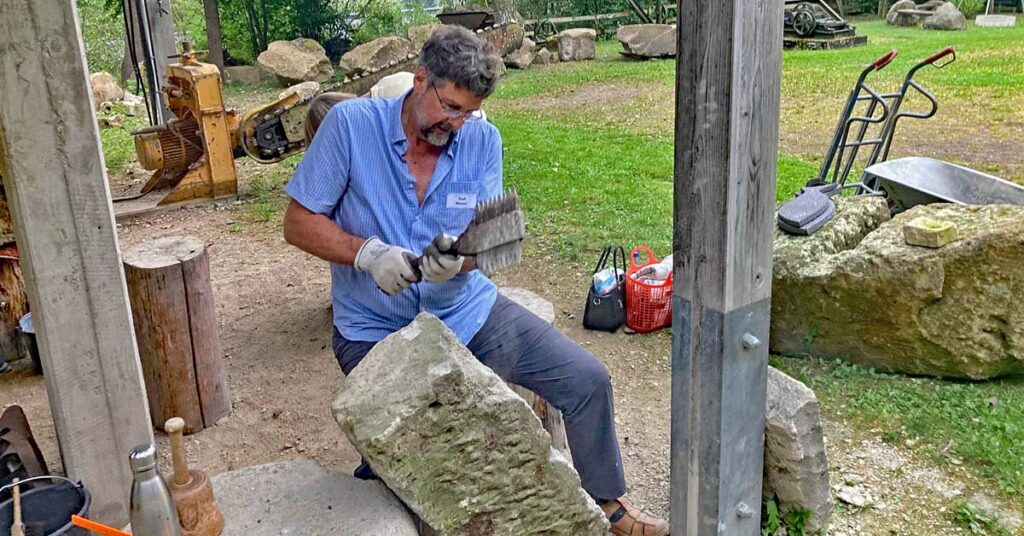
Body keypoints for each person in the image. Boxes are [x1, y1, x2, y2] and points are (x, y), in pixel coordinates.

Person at [282, 26, 669, 536]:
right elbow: (297, 222)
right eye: (450, 106)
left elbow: (491, 239)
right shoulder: (351, 127)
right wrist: (367, 253)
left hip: (465, 311)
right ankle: (377, 490)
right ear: (419, 80)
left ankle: (608, 503)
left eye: (469, 111)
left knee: (585, 379)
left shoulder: (481, 138)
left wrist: (461, 260)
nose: (457, 123)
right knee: (414, 442)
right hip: (375, 327)